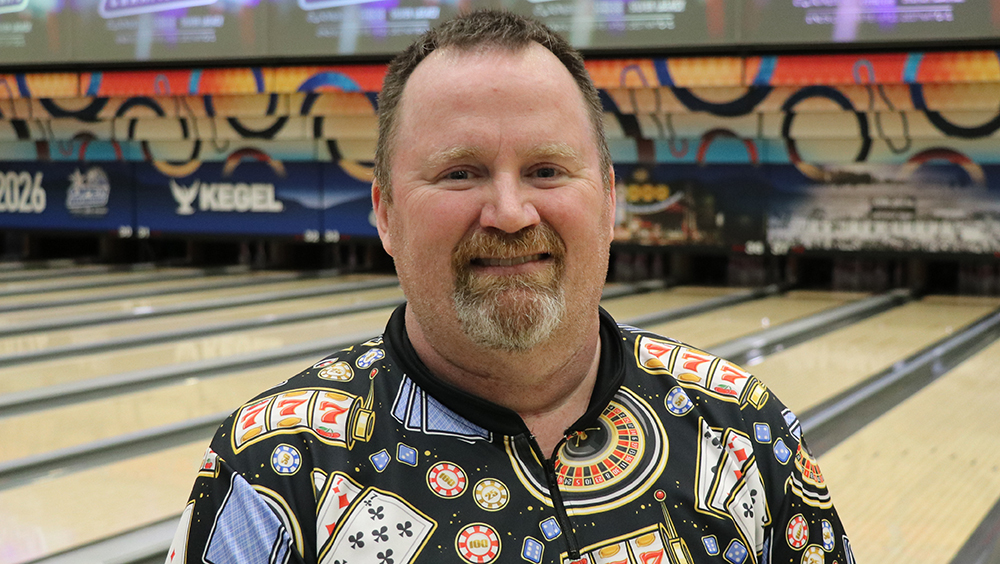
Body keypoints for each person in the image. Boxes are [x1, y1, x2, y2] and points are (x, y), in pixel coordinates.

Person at [167, 10, 854, 564]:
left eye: (548, 171)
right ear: (384, 211)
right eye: (460, 173)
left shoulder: (745, 435)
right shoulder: (274, 467)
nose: (510, 212)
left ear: (609, 202)